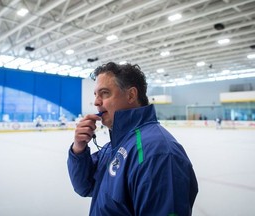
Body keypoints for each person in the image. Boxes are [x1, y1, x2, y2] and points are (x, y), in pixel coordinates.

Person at [67, 62, 198, 215]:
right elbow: (85, 186)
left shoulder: (157, 152)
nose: (96, 101)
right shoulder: (116, 145)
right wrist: (79, 149)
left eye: (104, 93)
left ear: (131, 95)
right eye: (96, 94)